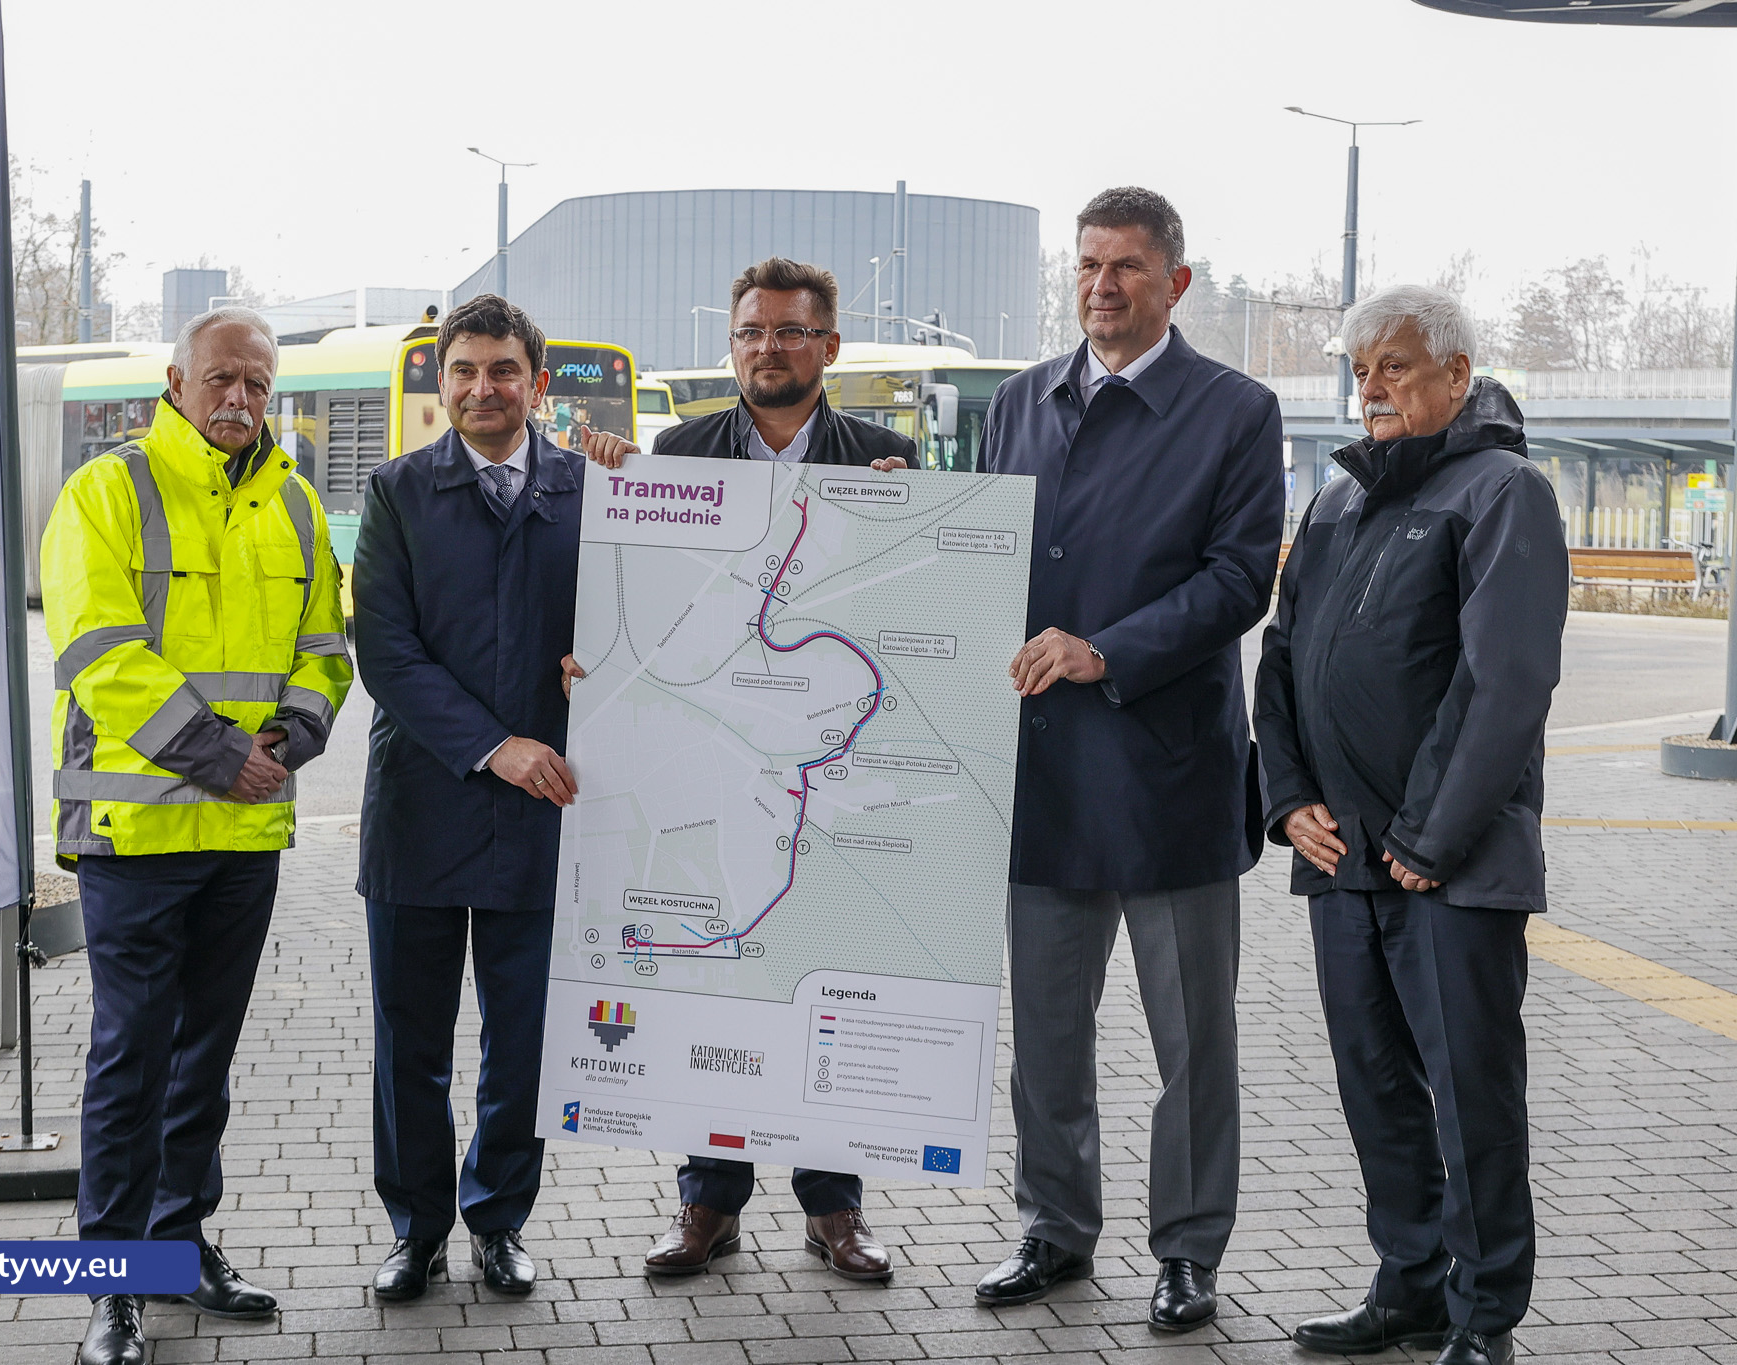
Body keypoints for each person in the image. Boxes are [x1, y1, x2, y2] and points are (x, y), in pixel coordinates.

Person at [970, 188, 1283, 1331]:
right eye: (1088, 266)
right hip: (1040, 777)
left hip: (1165, 776)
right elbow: (979, 559)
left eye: (1128, 268)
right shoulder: (1016, 402)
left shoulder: (1235, 412)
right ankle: (1053, 1229)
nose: (1102, 286)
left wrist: (1103, 651)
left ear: (1175, 284)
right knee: (1046, 1036)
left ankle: (1188, 1251)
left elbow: (1238, 579)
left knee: (1189, 1043)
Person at [577, 256, 911, 1283]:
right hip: (712, 748)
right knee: (715, 971)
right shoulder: (679, 453)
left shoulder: (887, 460)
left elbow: (906, 613)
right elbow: (645, 607)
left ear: (829, 348)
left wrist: (910, 518)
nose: (767, 349)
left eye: (789, 333)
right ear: (733, 346)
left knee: (822, 978)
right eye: (750, 333)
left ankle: (833, 1211)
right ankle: (705, 1207)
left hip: (820, 761)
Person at [1256, 285, 1565, 1365]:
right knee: (1375, 1087)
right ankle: (1408, 1285)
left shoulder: (1501, 492)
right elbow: (1282, 656)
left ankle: (1484, 1318)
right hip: (1342, 859)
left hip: (1450, 869)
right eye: (1358, 371)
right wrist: (1285, 798)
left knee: (1468, 1100)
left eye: (1393, 366)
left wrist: (1428, 839)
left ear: (1454, 377)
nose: (1370, 388)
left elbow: (1502, 681)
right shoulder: (1337, 502)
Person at [41, 306, 352, 1365]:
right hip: (136, 830)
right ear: (175, 382)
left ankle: (176, 1247)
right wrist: (221, 751)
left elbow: (325, 644)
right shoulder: (108, 491)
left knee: (203, 1057)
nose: (239, 399)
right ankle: (112, 1282)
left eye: (258, 385)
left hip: (243, 832)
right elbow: (97, 649)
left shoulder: (297, 506)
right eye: (222, 378)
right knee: (132, 1055)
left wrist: (297, 730)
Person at [352, 294, 583, 1302]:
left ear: (535, 381)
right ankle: (415, 1229)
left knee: (522, 1043)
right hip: (421, 811)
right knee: (410, 1041)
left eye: (501, 370)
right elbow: (386, 654)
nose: (481, 389)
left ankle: (497, 1220)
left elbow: (654, 619)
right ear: (439, 383)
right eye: (462, 372)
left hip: (546, 816)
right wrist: (495, 747)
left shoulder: (594, 492)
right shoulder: (397, 491)